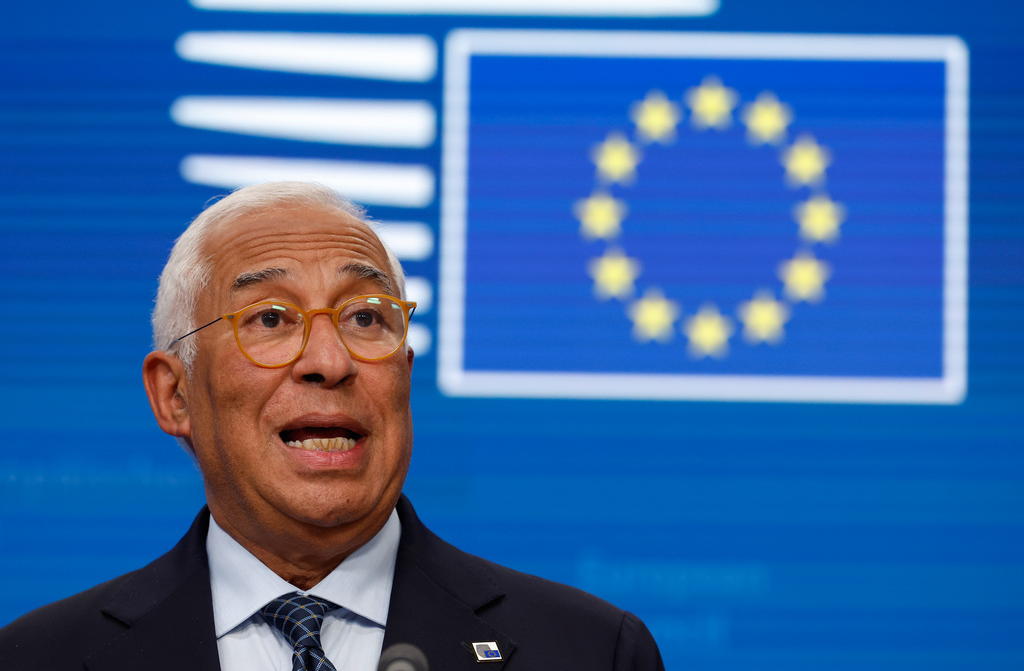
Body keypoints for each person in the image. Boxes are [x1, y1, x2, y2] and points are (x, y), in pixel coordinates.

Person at [0, 182, 664, 670]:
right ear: (175, 395)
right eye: (270, 318)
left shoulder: (591, 651)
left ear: (404, 372)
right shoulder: (40, 657)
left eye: (366, 317)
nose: (330, 361)